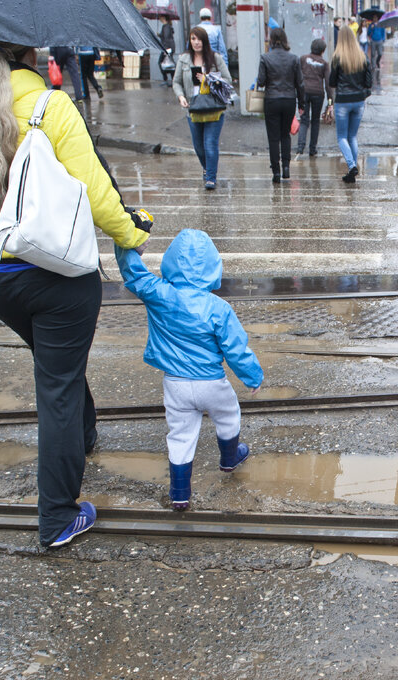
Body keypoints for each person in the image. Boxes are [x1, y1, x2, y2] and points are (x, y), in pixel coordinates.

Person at [0, 37, 150, 548]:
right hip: (54, 272)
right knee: (56, 387)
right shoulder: (50, 106)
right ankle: (58, 516)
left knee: (57, 367)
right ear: (30, 54)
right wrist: (133, 233)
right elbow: (97, 192)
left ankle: (83, 437)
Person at [114, 230, 263, 511]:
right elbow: (236, 348)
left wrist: (128, 244)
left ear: (171, 262)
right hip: (212, 383)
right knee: (229, 417)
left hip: (176, 384)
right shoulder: (218, 308)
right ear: (212, 266)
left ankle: (179, 493)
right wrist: (252, 376)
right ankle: (230, 459)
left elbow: (133, 274)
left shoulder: (159, 294)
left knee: (181, 436)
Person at [175, 27, 233, 190]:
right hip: (193, 108)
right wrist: (181, 97)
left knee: (210, 143)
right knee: (199, 146)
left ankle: (211, 178)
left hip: (214, 108)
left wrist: (208, 78)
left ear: (205, 41)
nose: (196, 42)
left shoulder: (215, 58)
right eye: (193, 39)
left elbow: (228, 80)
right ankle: (207, 168)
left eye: (199, 39)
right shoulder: (184, 59)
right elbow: (176, 82)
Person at [256, 28, 305, 183]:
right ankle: (286, 167)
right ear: (285, 39)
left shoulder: (265, 58)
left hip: (272, 100)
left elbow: (261, 81)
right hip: (289, 100)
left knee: (273, 137)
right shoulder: (294, 58)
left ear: (271, 39)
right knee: (285, 135)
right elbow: (300, 83)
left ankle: (275, 171)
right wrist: (301, 103)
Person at [328, 25, 372, 183]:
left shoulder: (337, 57)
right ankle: (351, 171)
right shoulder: (362, 56)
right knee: (352, 136)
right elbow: (369, 81)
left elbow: (332, 82)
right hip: (359, 100)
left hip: (343, 101)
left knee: (341, 137)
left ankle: (352, 166)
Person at [296, 38, 330, 157]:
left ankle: (300, 147)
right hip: (318, 93)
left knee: (304, 119)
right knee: (315, 120)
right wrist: (330, 101)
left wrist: (297, 91)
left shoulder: (303, 59)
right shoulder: (324, 63)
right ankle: (312, 149)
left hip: (304, 92)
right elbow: (328, 83)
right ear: (322, 51)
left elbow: (298, 76)